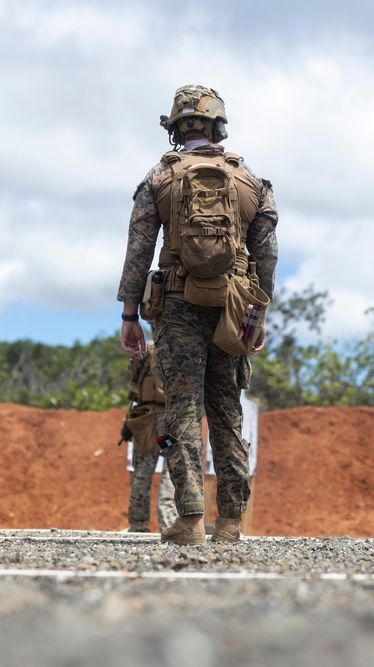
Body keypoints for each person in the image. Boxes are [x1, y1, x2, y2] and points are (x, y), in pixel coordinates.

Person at [117, 84, 278, 544]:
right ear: (218, 126)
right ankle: (230, 521)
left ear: (174, 128)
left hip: (177, 305)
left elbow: (138, 249)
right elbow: (266, 254)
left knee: (181, 412)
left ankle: (188, 517)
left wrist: (130, 313)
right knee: (228, 413)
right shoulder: (251, 181)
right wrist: (258, 315)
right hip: (234, 307)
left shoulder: (158, 178)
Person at [124, 340, 177, 533]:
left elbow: (132, 378)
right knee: (171, 470)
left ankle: (138, 524)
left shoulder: (144, 349)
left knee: (142, 472)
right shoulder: (177, 345)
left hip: (146, 421)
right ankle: (168, 522)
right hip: (169, 422)